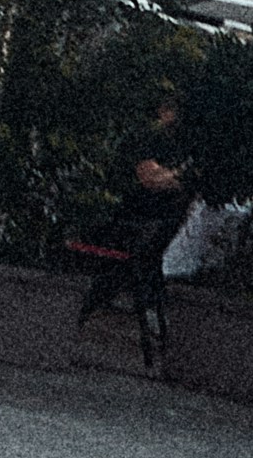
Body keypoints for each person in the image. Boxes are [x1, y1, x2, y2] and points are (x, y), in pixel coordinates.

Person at [73, 88, 195, 379]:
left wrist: (175, 178)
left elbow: (156, 179)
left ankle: (81, 313)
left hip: (137, 233)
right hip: (129, 226)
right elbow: (150, 177)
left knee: (125, 265)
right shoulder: (149, 139)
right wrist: (181, 177)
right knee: (126, 267)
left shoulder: (172, 143)